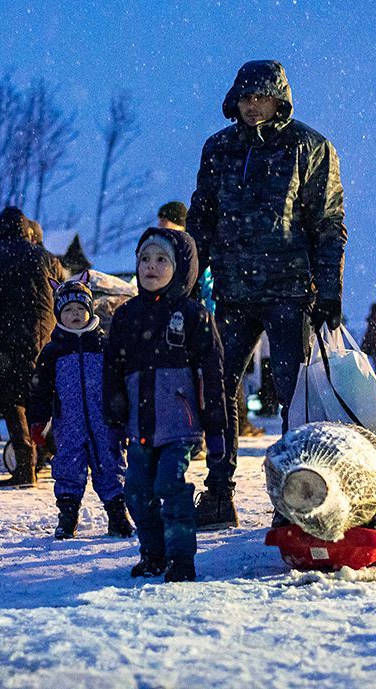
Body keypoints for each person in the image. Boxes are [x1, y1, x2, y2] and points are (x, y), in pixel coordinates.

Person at [186, 59, 346, 530]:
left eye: (262, 97)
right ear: (235, 100)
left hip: (289, 289)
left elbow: (327, 221)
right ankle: (219, 491)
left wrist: (329, 287)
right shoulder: (218, 149)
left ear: (280, 99)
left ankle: (294, 499)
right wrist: (189, 282)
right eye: (246, 97)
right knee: (218, 388)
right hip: (234, 290)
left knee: (294, 396)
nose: (253, 106)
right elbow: (202, 218)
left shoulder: (309, 146)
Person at [105, 228, 225, 583]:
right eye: (144, 259)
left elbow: (212, 376)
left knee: (170, 486)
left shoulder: (193, 315)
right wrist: (113, 424)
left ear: (180, 268)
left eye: (161, 260)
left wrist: (216, 431)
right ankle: (153, 554)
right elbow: (112, 373)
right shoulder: (126, 316)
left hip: (179, 425)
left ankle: (180, 558)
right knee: (137, 491)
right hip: (140, 426)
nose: (151, 267)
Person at [0, 207, 62, 487]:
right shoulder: (45, 257)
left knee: (12, 401)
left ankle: (25, 467)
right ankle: (59, 454)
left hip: (2, 342)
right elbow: (62, 296)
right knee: (42, 399)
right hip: (42, 339)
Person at [29, 272, 132, 540]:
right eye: (68, 310)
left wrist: (125, 416)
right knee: (68, 468)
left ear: (90, 310)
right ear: (58, 314)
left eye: (80, 309)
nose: (75, 314)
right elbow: (40, 391)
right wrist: (38, 422)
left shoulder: (104, 345)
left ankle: (117, 513)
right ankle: (68, 514)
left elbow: (120, 384)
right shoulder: (53, 351)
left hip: (104, 423)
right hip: (68, 425)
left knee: (111, 465)